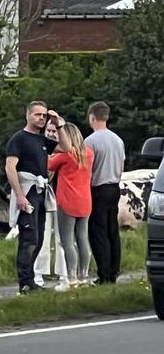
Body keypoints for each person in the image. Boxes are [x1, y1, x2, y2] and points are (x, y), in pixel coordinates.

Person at [5, 101, 61, 294]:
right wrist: (20, 195)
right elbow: (10, 167)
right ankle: (25, 282)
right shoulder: (19, 139)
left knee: (38, 238)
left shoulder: (42, 140)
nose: (41, 118)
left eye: (44, 115)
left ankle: (31, 280)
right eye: (38, 115)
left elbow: (67, 146)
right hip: (28, 191)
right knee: (28, 238)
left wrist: (58, 123)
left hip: (41, 192)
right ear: (28, 116)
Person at [49, 122, 95, 289]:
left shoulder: (66, 155)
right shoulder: (88, 153)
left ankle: (72, 278)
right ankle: (84, 277)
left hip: (67, 200)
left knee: (67, 241)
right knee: (83, 238)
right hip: (85, 200)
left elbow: (48, 165)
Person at [85, 101, 125, 284]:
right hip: (115, 186)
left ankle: (104, 274)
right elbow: (122, 165)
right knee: (112, 230)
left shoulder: (90, 141)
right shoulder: (118, 140)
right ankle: (115, 270)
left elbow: (87, 168)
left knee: (98, 232)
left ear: (92, 117)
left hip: (98, 188)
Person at [33, 118, 67, 285]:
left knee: (63, 238)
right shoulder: (41, 149)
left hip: (62, 199)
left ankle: (63, 274)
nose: (52, 134)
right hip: (44, 197)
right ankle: (39, 273)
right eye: (49, 131)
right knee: (42, 236)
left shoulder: (65, 152)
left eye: (55, 131)